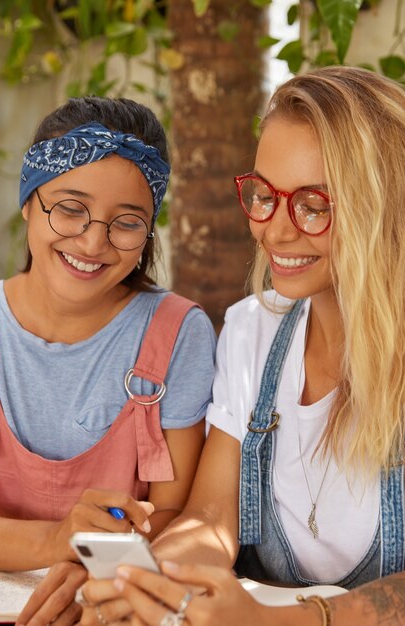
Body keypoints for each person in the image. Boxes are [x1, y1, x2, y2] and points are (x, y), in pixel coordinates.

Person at [71, 65, 405, 626]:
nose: (274, 230)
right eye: (264, 194)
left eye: (314, 204)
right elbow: (209, 519)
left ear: (384, 206)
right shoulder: (254, 331)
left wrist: (281, 620)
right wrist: (146, 582)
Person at [0, 95, 216, 614]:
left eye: (127, 221)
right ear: (28, 202)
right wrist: (60, 543)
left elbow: (174, 512)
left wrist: (98, 568)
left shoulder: (178, 333)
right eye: (70, 209)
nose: (93, 242)